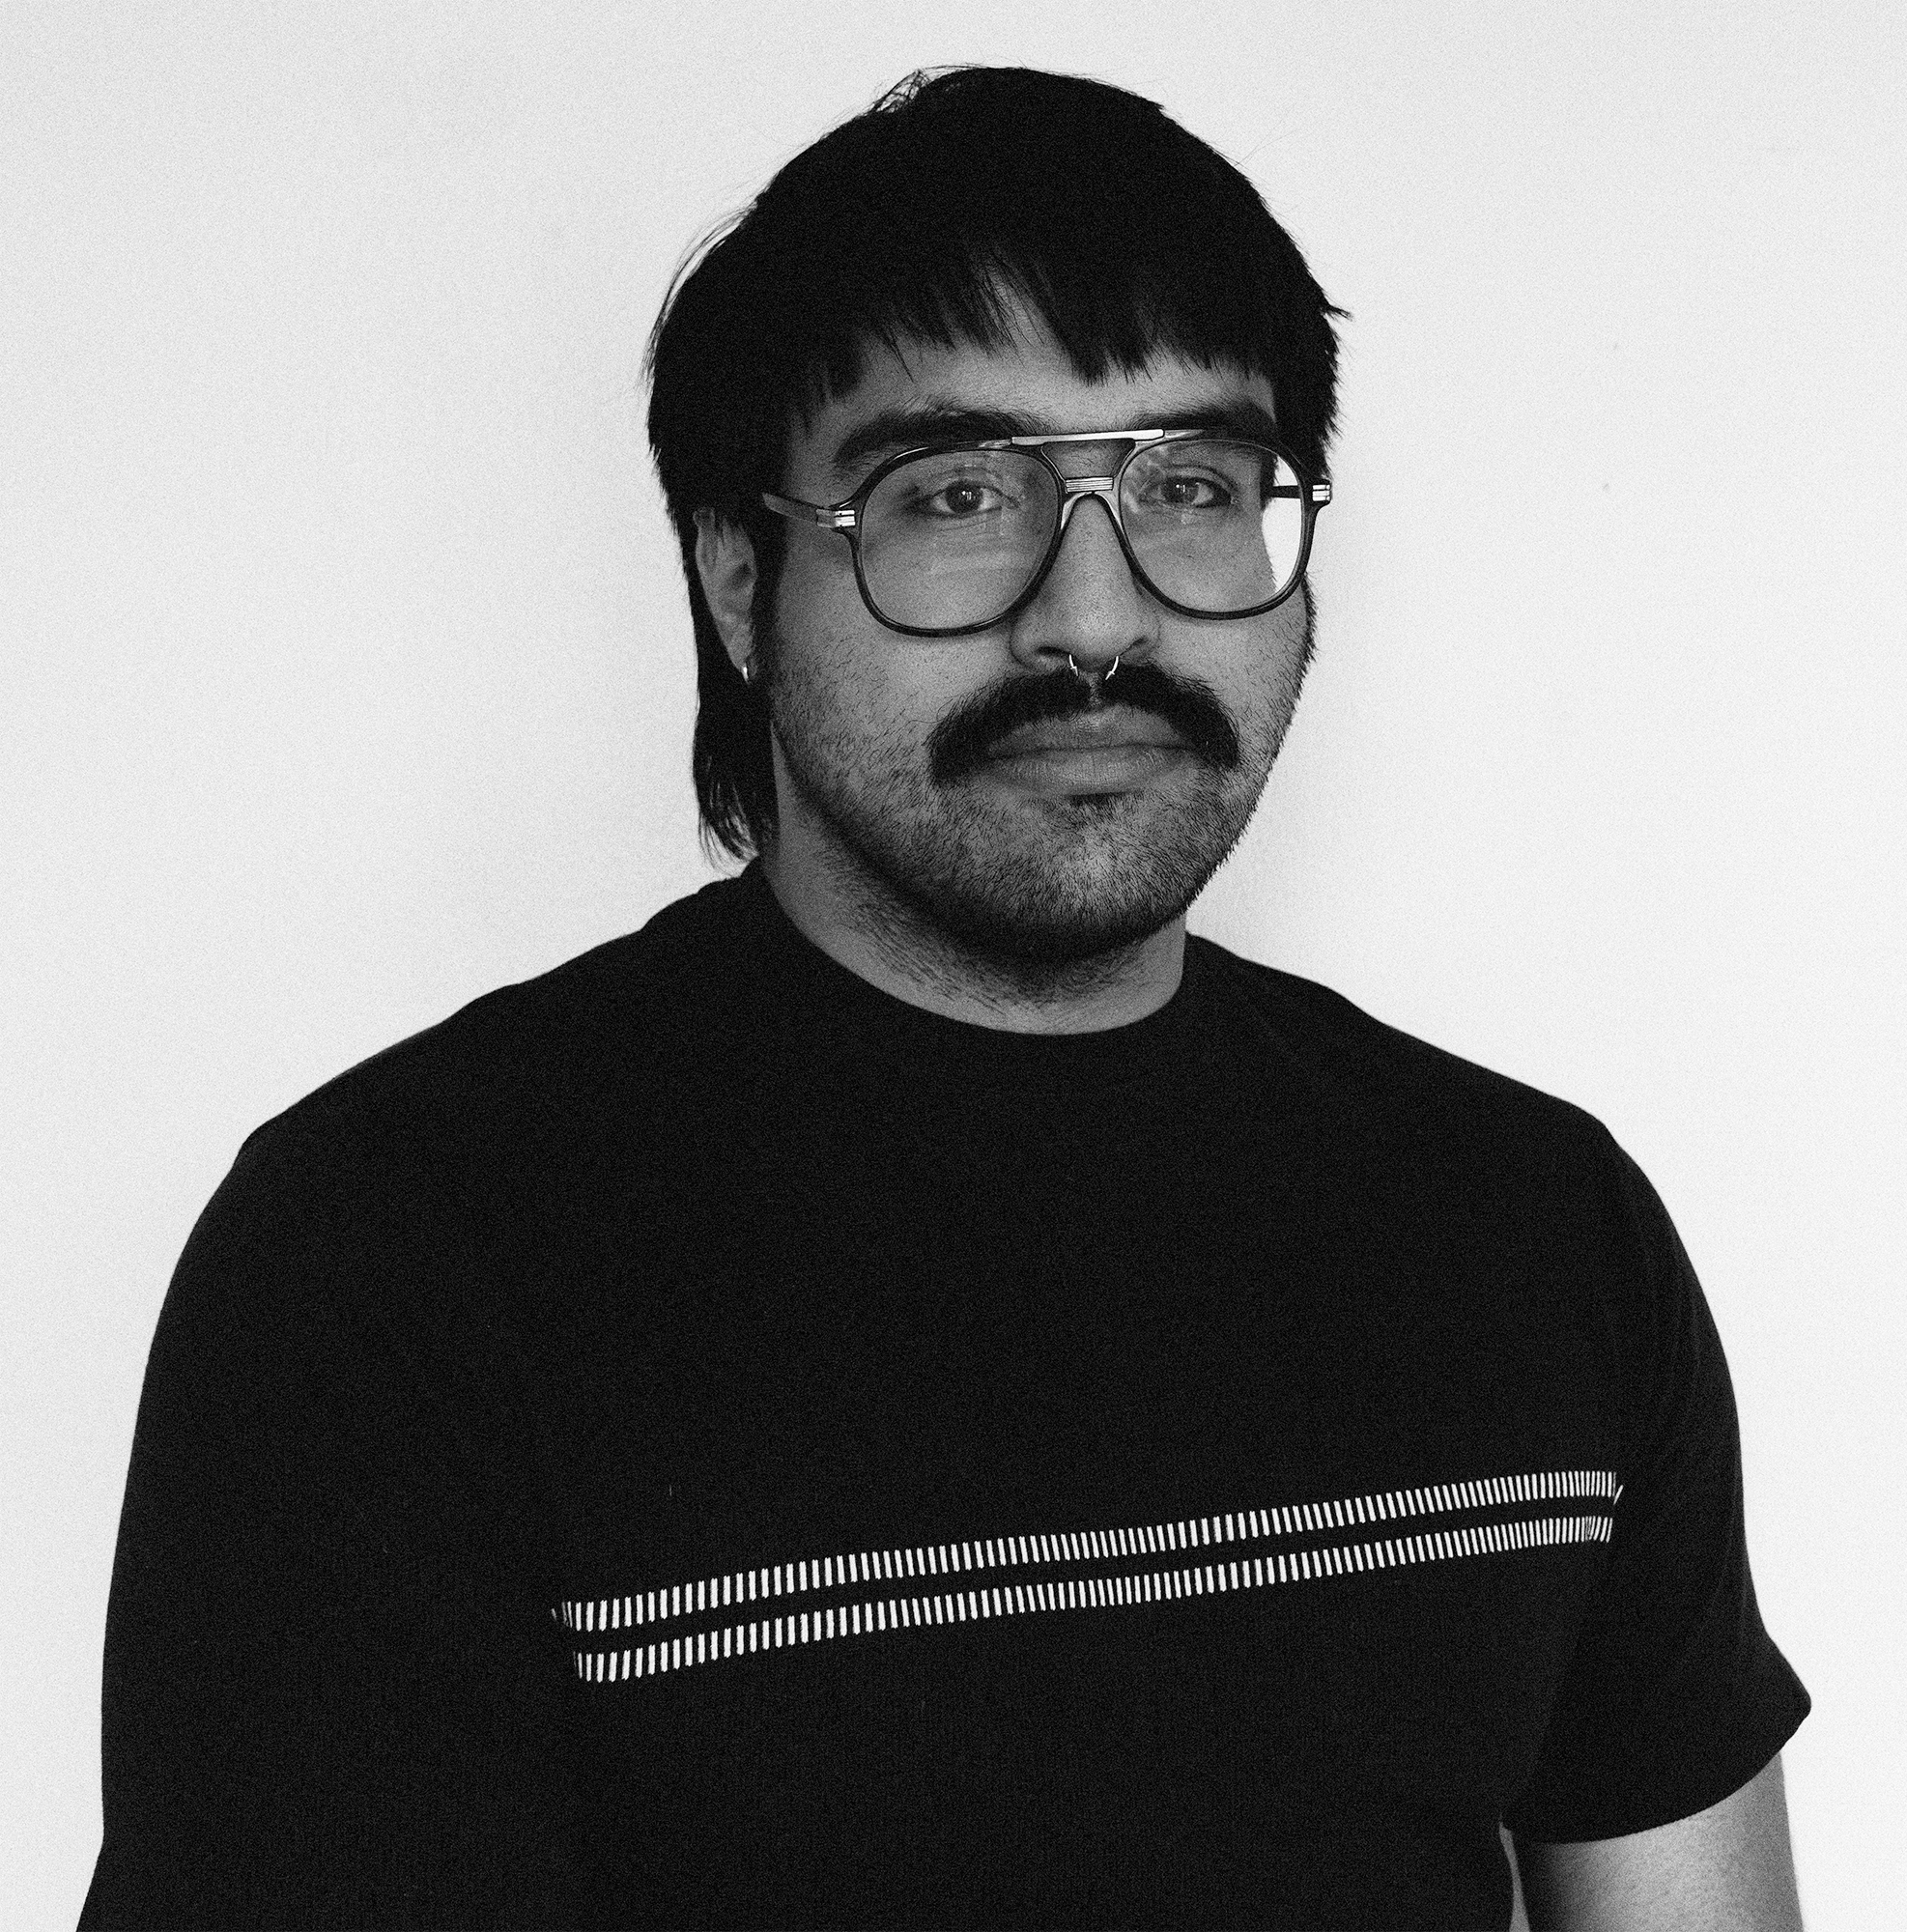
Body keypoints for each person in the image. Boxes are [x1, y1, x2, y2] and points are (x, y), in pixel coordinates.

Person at [81, 66, 1809, 1930]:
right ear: (737, 583)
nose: (1097, 616)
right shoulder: (395, 1256)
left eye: (1192, 487)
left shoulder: (1538, 1229)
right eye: (959, 495)